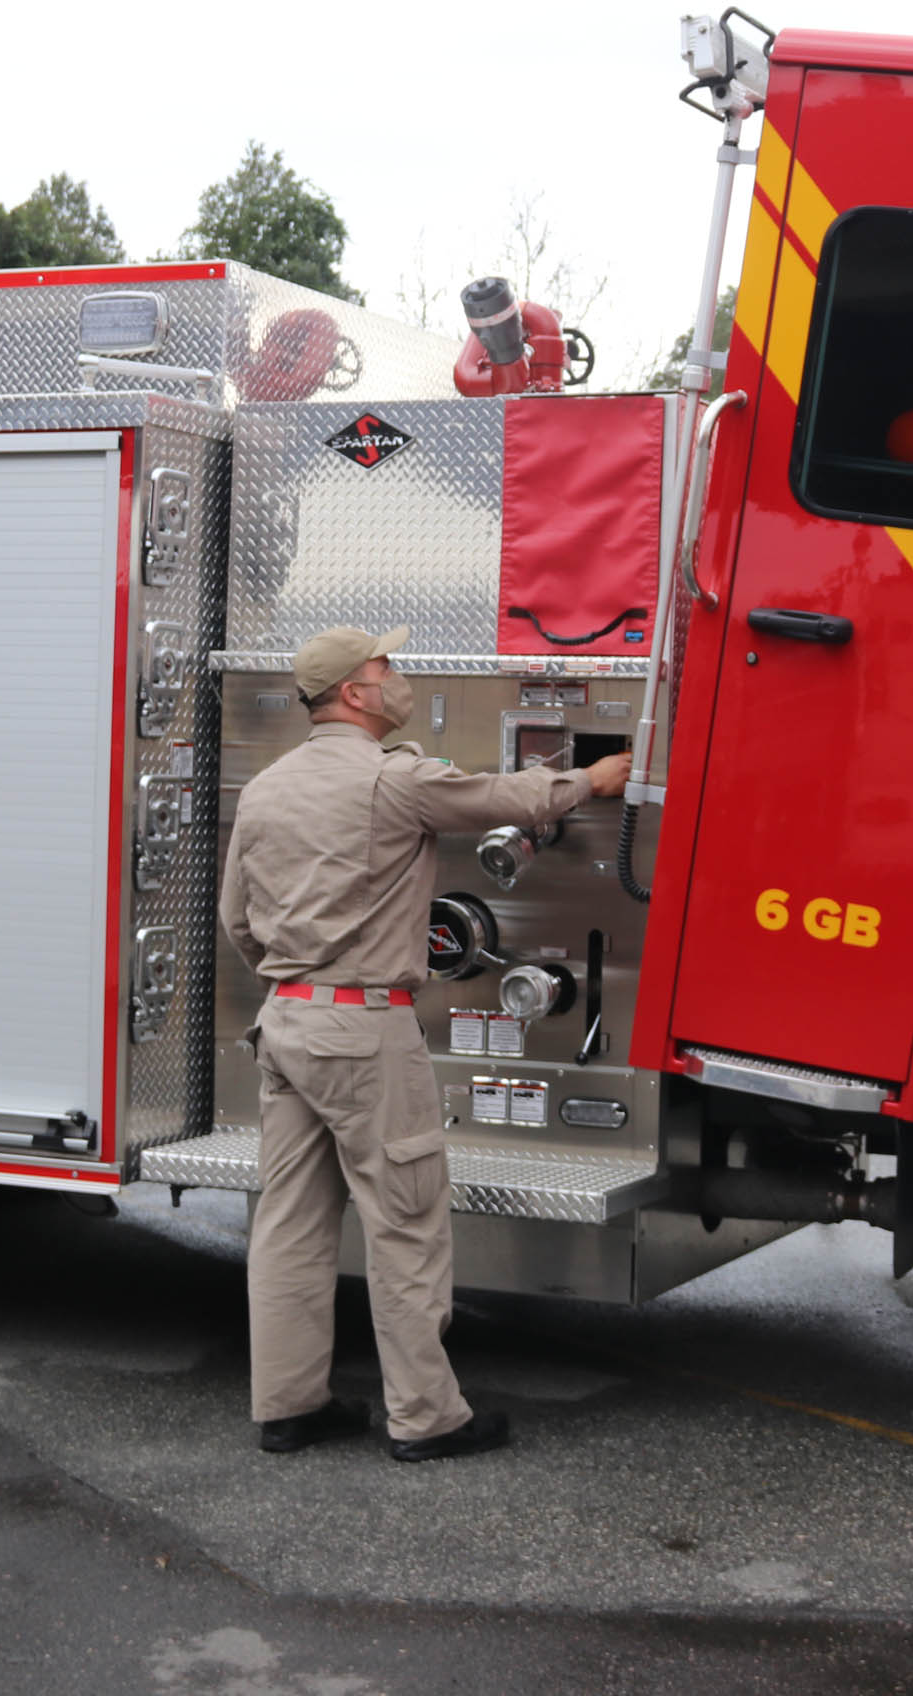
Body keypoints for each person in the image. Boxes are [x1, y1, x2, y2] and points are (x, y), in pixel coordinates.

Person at [220, 625, 633, 1458]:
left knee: (291, 1226)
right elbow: (500, 799)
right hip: (363, 1031)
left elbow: (237, 919)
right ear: (355, 695)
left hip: (287, 1021)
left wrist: (299, 978)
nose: (398, 675)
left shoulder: (267, 788)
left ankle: (288, 1406)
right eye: (386, 666)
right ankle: (426, 1417)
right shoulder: (391, 781)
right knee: (405, 1222)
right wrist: (588, 777)